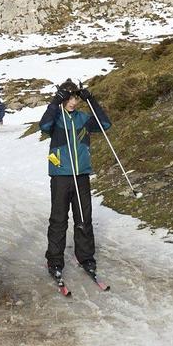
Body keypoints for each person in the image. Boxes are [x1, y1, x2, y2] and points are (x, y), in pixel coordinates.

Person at [37, 78, 111, 286]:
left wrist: (91, 99)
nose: (72, 102)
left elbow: (105, 124)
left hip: (81, 175)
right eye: (68, 98)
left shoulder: (83, 118)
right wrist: (54, 102)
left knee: (83, 218)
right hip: (61, 175)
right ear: (62, 98)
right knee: (59, 219)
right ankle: (54, 261)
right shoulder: (56, 117)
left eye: (75, 98)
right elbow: (44, 126)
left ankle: (86, 257)